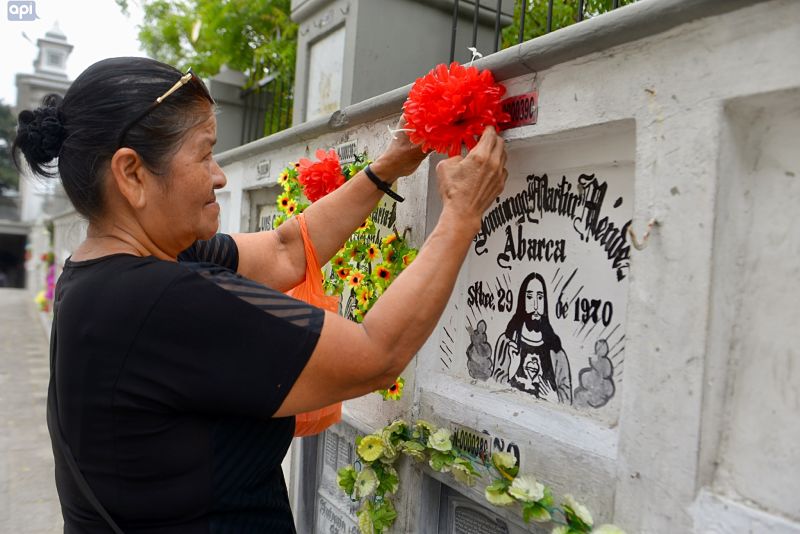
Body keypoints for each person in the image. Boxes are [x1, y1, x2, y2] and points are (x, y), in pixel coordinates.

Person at [12, 57, 507, 533]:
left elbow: (286, 251)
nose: (219, 175)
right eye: (204, 153)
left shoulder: (103, 272)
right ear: (132, 174)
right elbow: (376, 355)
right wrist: (462, 215)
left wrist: (389, 166)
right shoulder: (163, 301)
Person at [492, 272, 572, 404]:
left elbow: (566, 395)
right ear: (522, 301)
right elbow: (494, 384)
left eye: (540, 297)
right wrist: (511, 371)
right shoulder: (507, 341)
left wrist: (554, 398)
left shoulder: (556, 351)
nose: (535, 305)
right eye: (529, 297)